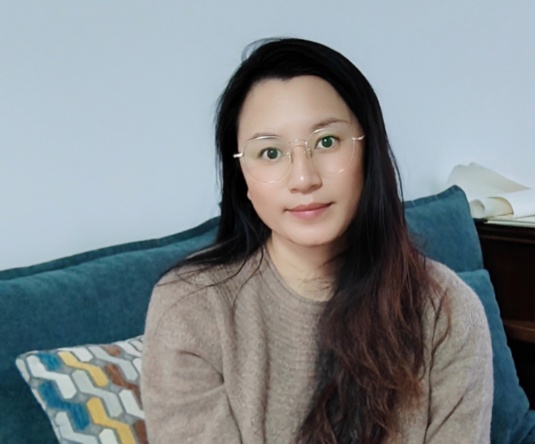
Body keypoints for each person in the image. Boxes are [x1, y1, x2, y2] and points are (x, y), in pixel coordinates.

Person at [141, 37, 493, 444]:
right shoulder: (191, 311)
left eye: (326, 142)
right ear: (242, 179)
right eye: (270, 153)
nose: (304, 178)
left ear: (368, 151)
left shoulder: (447, 311)